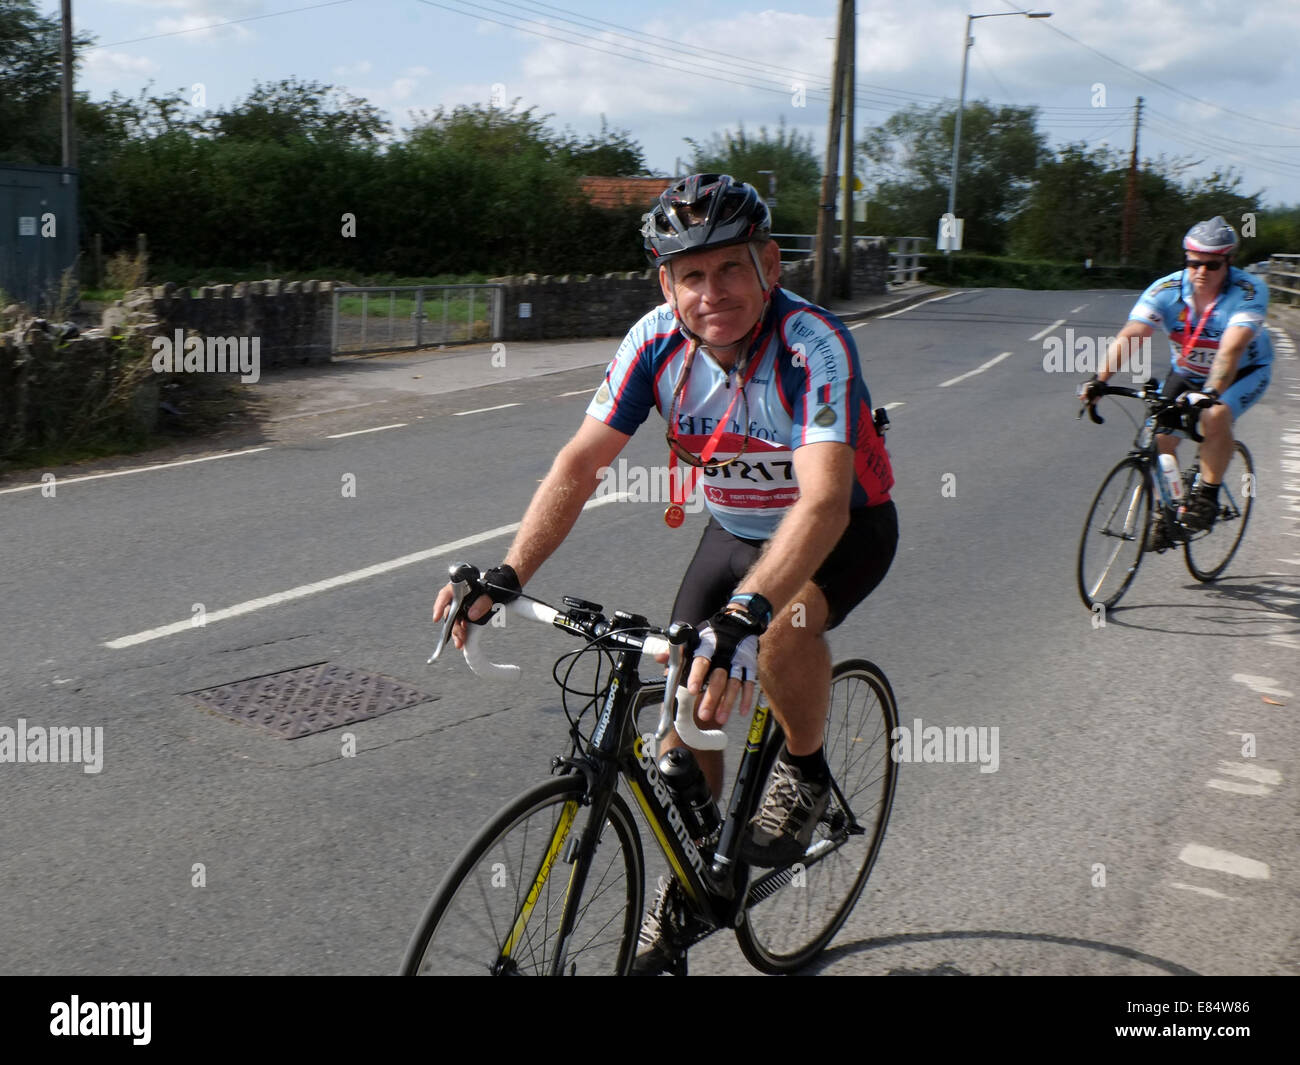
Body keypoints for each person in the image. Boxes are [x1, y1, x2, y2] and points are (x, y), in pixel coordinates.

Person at [431, 173, 898, 972]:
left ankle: (808, 768)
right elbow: (579, 464)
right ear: (666, 283)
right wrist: (508, 572)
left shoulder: (812, 343)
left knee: (779, 633)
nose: (711, 292)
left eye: (730, 270)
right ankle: (700, 873)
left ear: (769, 267)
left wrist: (748, 613)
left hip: (841, 528)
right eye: (691, 275)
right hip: (733, 529)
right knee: (681, 728)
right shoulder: (654, 340)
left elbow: (821, 501)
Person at [1081, 216, 1272, 549]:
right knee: (1161, 436)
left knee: (1214, 416)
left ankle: (1207, 498)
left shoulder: (1248, 292)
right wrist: (1099, 380)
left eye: (1212, 265)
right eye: (1194, 263)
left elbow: (1232, 349)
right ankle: (1169, 512)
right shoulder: (1167, 290)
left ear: (1228, 261)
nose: (1201, 271)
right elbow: (1132, 335)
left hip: (1244, 369)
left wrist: (1210, 394)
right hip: (1187, 371)